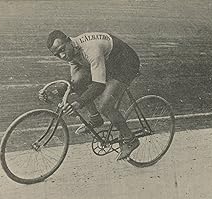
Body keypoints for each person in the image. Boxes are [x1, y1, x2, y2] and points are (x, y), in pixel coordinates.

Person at [41, 30, 140, 160]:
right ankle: (95, 119)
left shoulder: (91, 49)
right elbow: (73, 81)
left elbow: (99, 85)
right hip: (107, 60)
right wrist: (54, 92)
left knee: (105, 106)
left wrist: (78, 103)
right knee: (77, 82)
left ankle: (130, 139)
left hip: (125, 63)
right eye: (57, 54)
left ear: (69, 41)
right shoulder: (72, 50)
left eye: (62, 49)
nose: (63, 55)